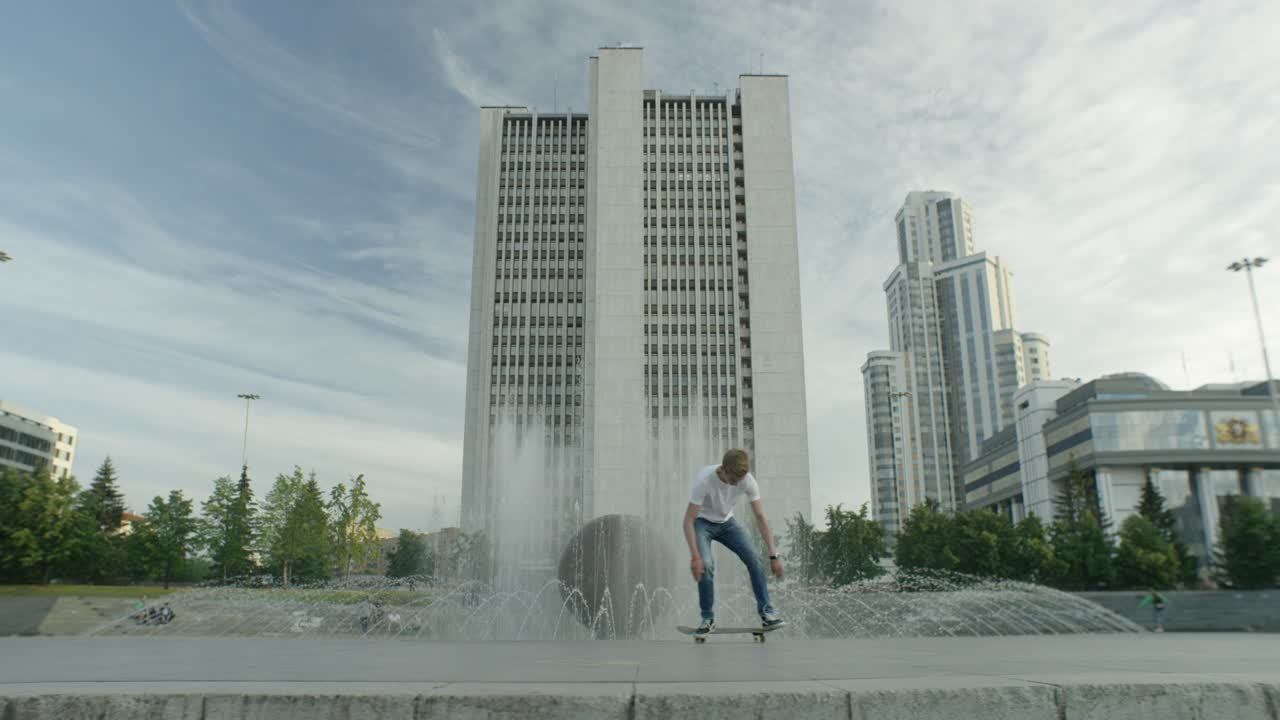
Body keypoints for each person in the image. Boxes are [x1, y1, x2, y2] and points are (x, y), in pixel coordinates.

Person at [682, 448, 784, 635]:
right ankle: (707, 618)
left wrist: (773, 555)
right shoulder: (704, 480)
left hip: (728, 524)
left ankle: (767, 615)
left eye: (739, 481)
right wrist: (695, 556)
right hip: (702, 523)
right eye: (733, 480)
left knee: (755, 559)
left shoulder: (747, 481)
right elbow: (688, 520)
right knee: (706, 564)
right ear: (723, 469)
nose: (736, 484)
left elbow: (760, 516)